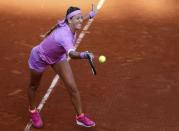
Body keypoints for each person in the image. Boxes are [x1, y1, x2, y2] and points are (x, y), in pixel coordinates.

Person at [27, 5, 97, 128]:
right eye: (77, 18)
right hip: (39, 58)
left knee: (72, 87)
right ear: (70, 20)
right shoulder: (65, 36)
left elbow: (80, 20)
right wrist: (83, 54)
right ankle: (32, 111)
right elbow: (71, 54)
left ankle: (80, 117)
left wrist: (90, 15)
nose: (80, 20)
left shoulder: (71, 24)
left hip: (57, 57)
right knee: (34, 86)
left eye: (81, 18)